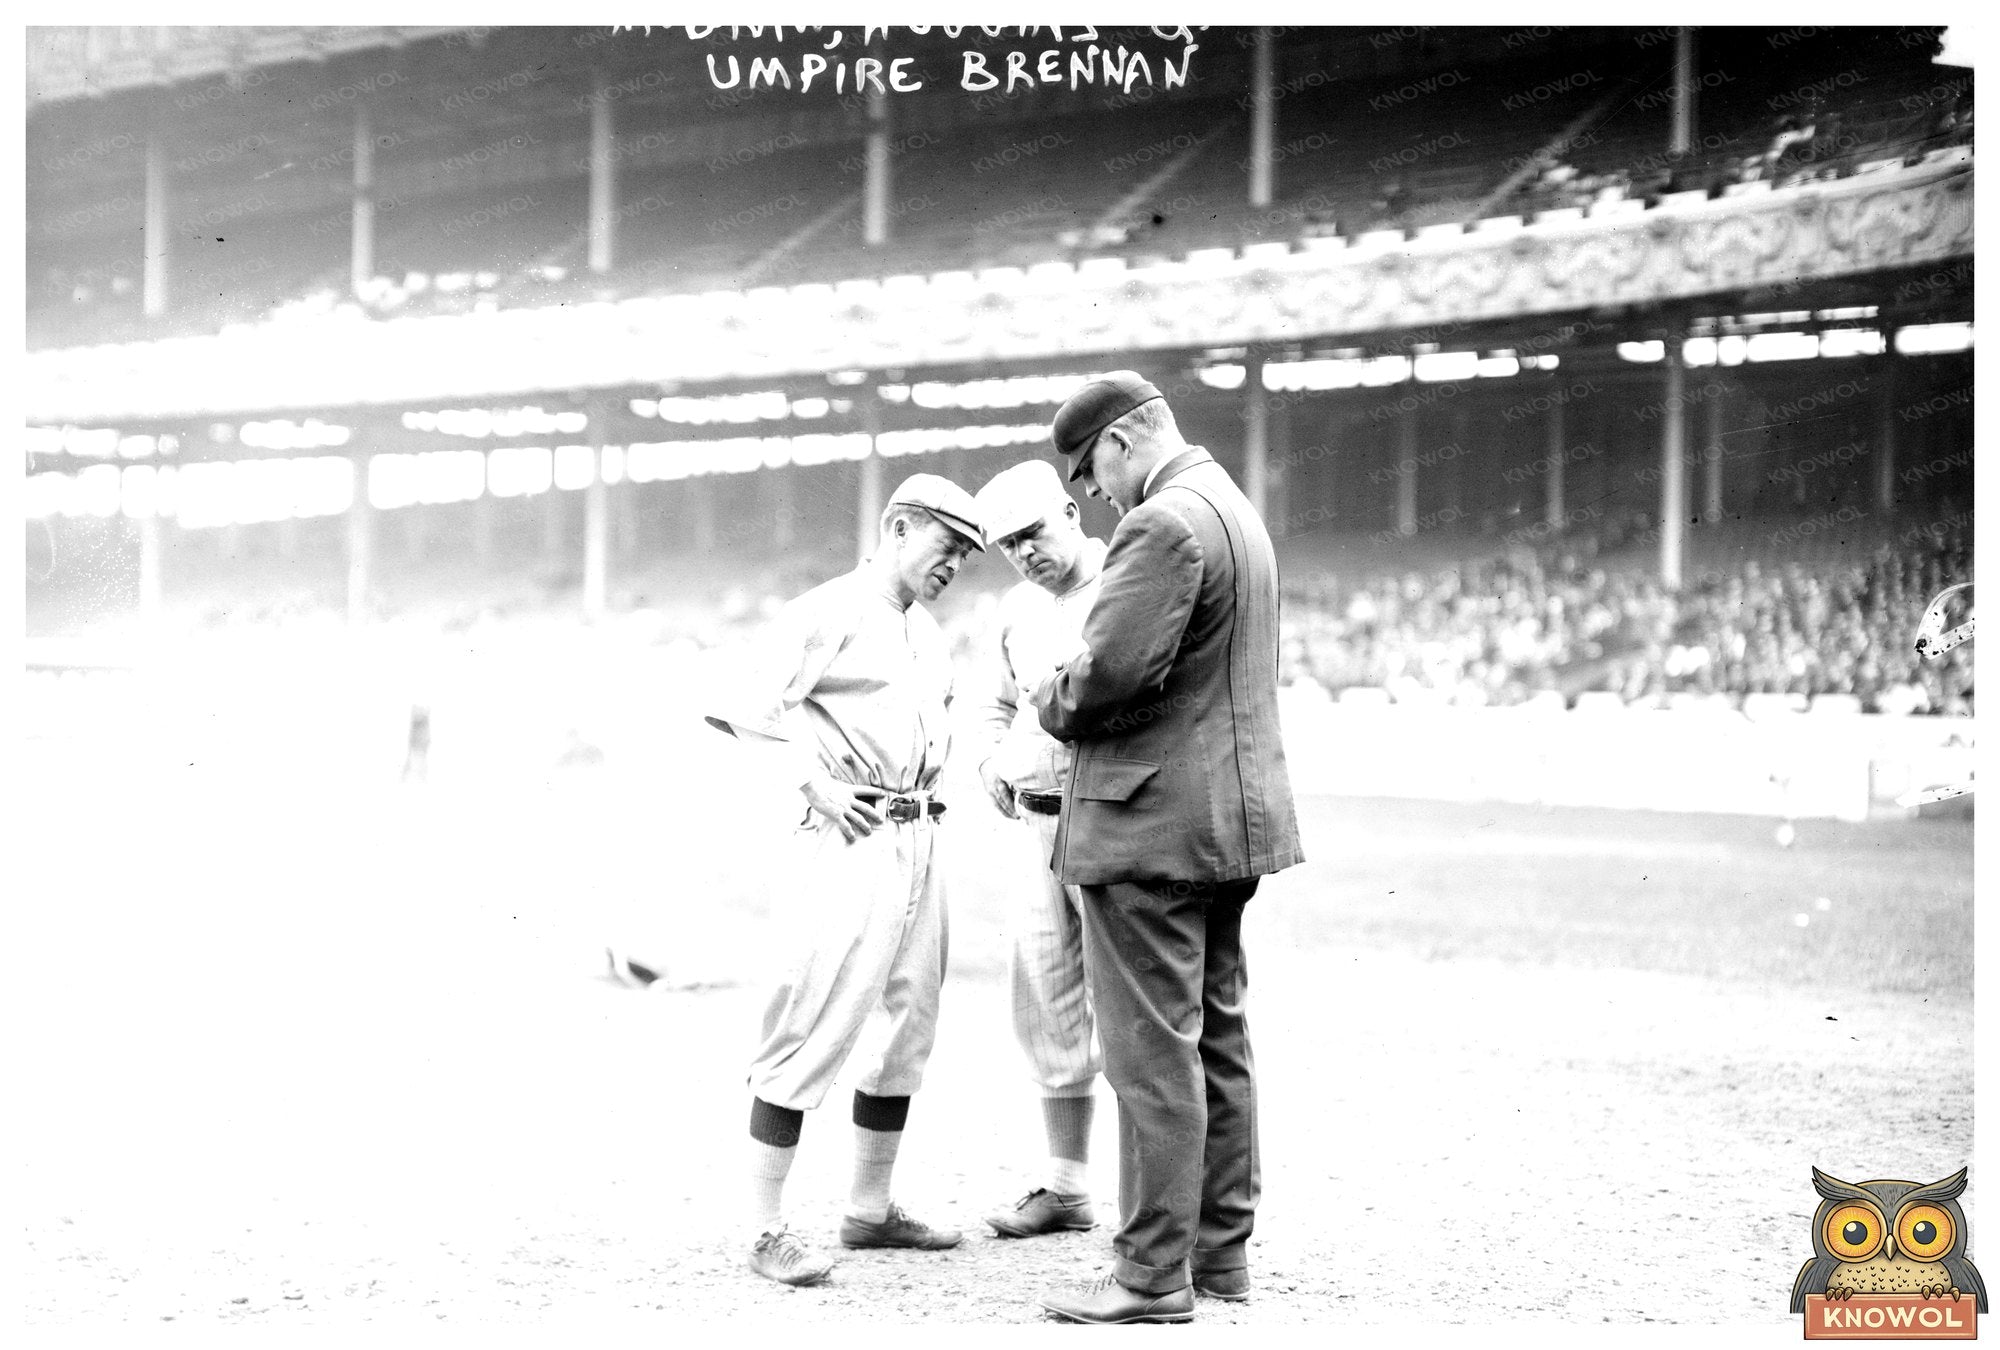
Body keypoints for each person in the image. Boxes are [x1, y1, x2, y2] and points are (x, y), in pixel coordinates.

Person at [1030, 372, 1304, 1325]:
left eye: (1088, 471)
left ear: (1116, 443)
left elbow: (1106, 676)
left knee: (1150, 1056)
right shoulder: (1234, 508)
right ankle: (1217, 1255)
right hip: (1228, 825)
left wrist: (1045, 693)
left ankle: (1150, 1275)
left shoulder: (1160, 523)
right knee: (1217, 1037)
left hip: (1149, 831)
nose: (1094, 494)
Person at [702, 473, 986, 1287]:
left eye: (967, 556)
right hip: (849, 835)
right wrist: (809, 784)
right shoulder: (827, 608)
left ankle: (869, 1207)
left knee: (908, 1027)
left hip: (919, 835)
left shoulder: (926, 631)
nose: (954, 564)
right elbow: (744, 703)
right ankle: (763, 1226)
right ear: (899, 527)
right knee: (811, 1013)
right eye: (946, 545)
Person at [968, 460, 1111, 1239]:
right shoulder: (1016, 610)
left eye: (1033, 534)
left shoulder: (1128, 583)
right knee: (1047, 1000)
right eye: (1007, 545)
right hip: (1034, 824)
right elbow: (989, 706)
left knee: (1129, 1009)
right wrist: (990, 760)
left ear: (1071, 510)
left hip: (1111, 825)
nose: (1024, 553)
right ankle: (1066, 1186)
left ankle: (1170, 1204)